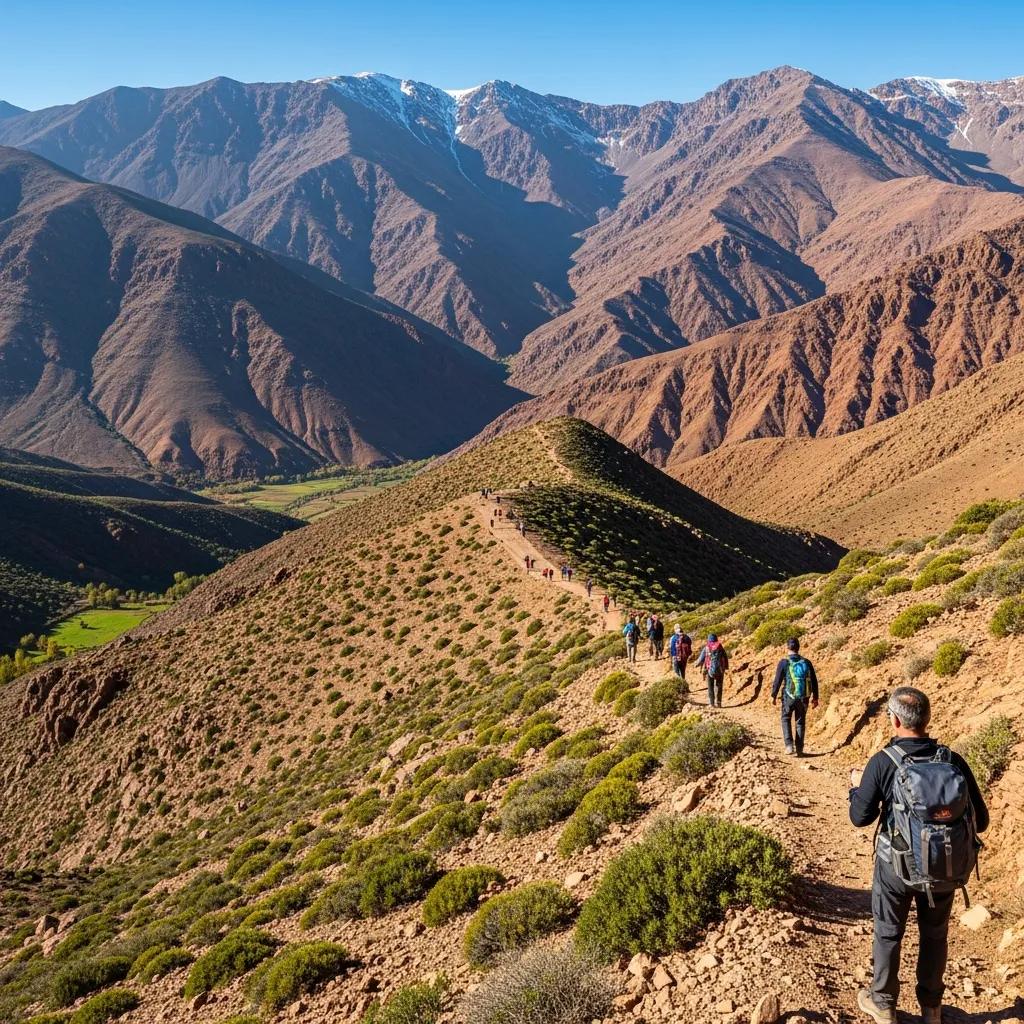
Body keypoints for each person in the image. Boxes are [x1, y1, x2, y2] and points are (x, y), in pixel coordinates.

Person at [850, 687, 989, 1024]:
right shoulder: (951, 760)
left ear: (895, 720)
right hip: (944, 867)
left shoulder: (884, 761)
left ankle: (883, 1004)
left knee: (888, 931)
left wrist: (856, 788)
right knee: (935, 934)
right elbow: (981, 821)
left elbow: (860, 818)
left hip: (895, 869)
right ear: (926, 719)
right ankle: (932, 1010)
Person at [771, 637, 819, 756]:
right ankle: (799, 749)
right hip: (804, 697)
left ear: (787, 647)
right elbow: (814, 680)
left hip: (789, 696)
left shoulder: (784, 662)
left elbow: (778, 680)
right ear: (798, 648)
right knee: (800, 722)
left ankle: (789, 746)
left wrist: (773, 695)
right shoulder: (807, 662)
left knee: (786, 718)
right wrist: (815, 697)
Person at [695, 634, 728, 707]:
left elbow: (700, 659)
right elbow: (725, 657)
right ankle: (719, 703)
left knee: (710, 686)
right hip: (720, 670)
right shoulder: (720, 647)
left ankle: (711, 703)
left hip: (709, 669)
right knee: (719, 686)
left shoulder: (706, 648)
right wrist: (725, 667)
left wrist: (696, 665)